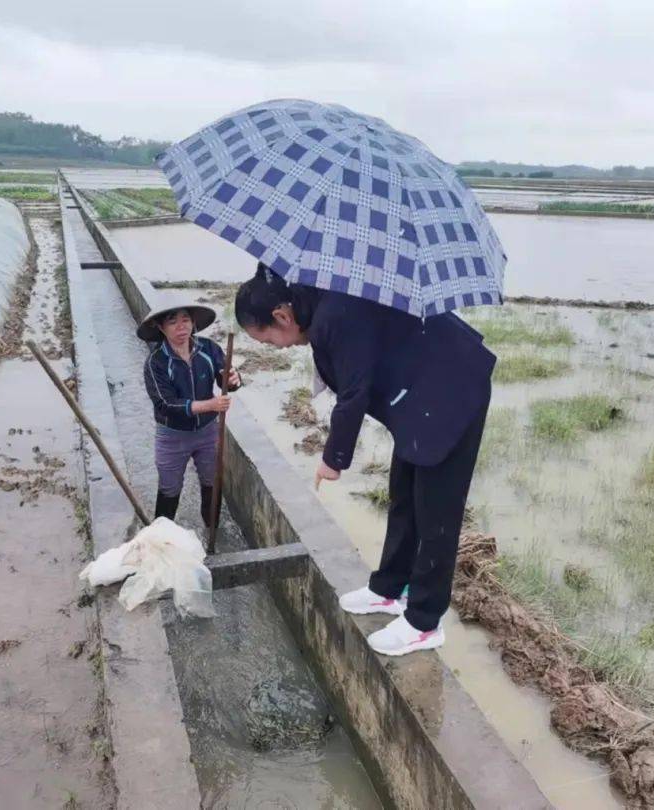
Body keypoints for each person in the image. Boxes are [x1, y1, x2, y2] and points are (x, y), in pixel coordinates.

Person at [234, 263, 494, 656]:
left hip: (452, 389)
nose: (277, 348)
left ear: (282, 316)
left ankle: (425, 621)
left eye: (269, 340)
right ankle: (389, 588)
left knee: (436, 512)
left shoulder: (333, 314)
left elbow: (354, 392)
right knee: (404, 496)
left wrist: (332, 458)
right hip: (420, 395)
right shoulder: (320, 302)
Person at [139, 296, 240, 529]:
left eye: (186, 319)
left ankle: (212, 536)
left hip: (207, 432)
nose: (181, 326)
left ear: (194, 322)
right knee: (169, 488)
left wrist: (233, 379)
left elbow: (227, 378)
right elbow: (165, 404)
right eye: (173, 321)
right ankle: (162, 539)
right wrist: (210, 405)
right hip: (172, 435)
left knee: (212, 482)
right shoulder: (156, 362)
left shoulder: (208, 349)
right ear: (160, 327)